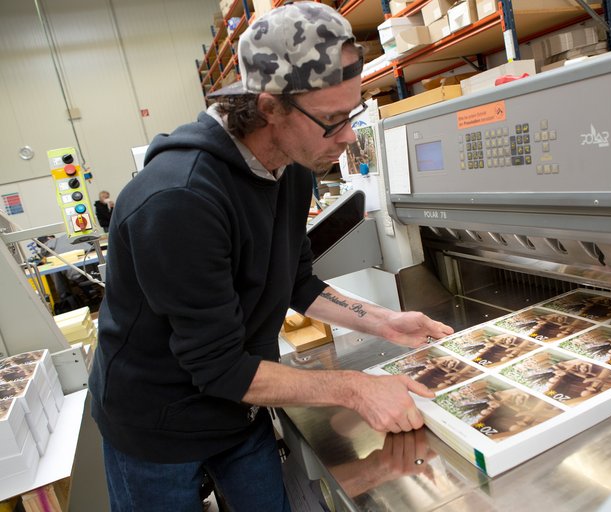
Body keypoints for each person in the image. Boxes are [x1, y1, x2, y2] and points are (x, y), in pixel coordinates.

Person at [87, 3, 453, 511]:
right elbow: (215, 367)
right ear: (268, 107)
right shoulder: (179, 200)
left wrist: (385, 323)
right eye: (330, 120)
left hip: (241, 409)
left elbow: (296, 280)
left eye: (352, 112)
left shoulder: (293, 167)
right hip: (155, 427)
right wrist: (355, 389)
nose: (347, 137)